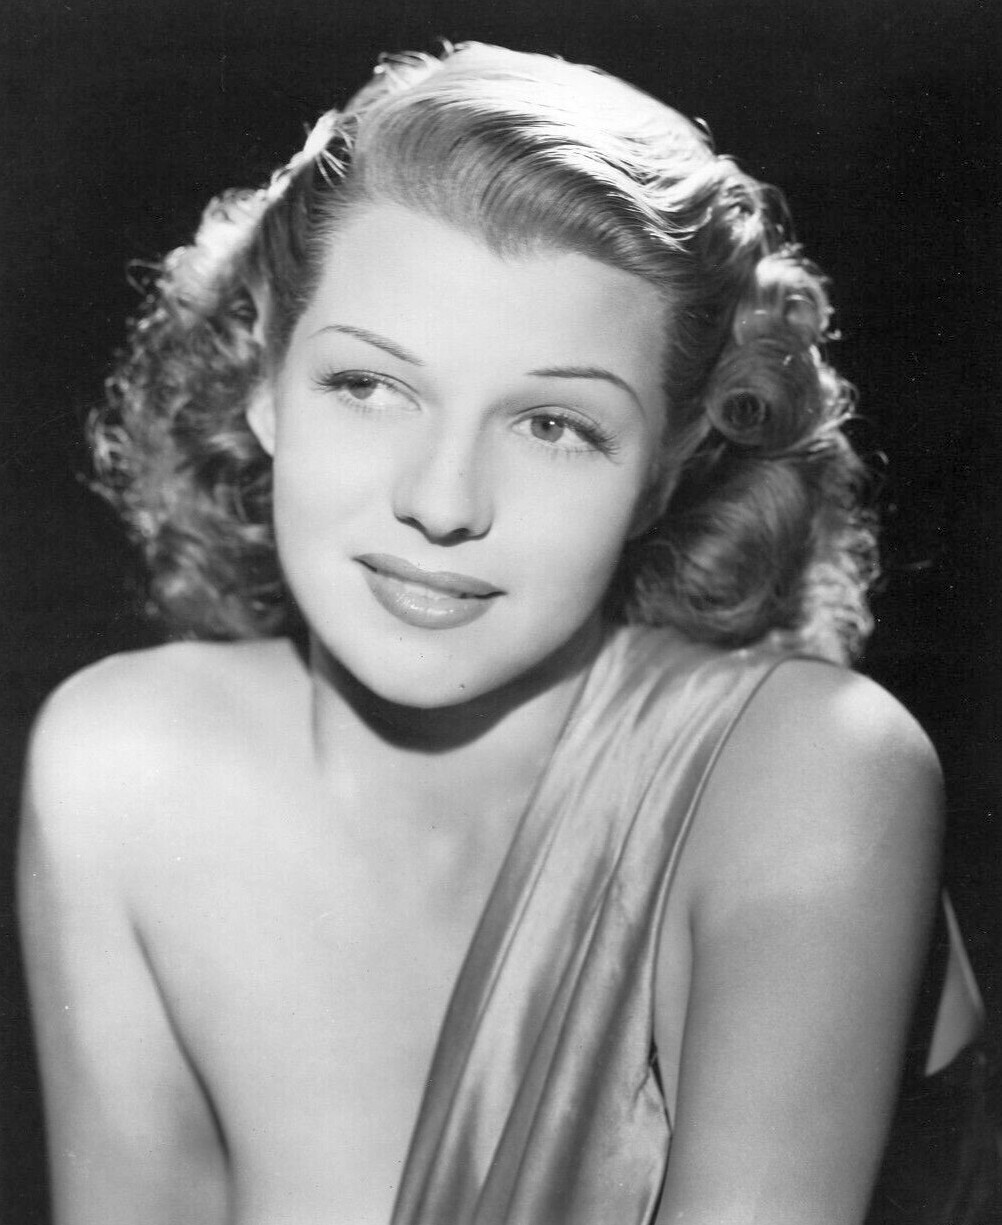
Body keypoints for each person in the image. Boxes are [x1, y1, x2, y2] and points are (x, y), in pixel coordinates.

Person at [17, 42, 995, 1225]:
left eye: (552, 424)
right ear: (267, 372)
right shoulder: (123, 772)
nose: (442, 501)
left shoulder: (811, 773)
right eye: (368, 386)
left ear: (670, 462)